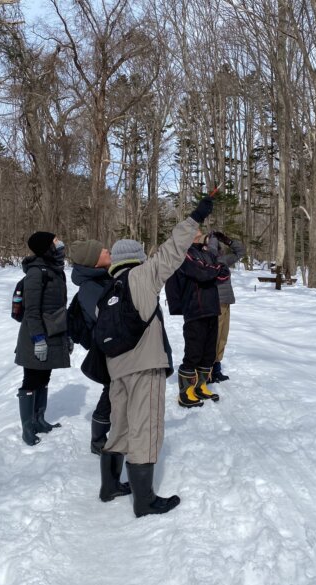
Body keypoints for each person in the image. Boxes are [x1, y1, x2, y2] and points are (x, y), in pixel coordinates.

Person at [100, 193, 215, 517]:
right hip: (144, 365)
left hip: (116, 368)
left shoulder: (109, 288)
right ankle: (144, 500)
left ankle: (109, 486)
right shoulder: (142, 276)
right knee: (145, 428)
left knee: (120, 424)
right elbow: (173, 249)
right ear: (136, 257)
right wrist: (196, 217)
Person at [14, 231, 72, 446]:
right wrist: (38, 338)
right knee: (31, 379)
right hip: (34, 335)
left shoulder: (55, 270)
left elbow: (58, 308)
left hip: (53, 333)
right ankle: (27, 428)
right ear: (46, 246)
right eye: (56, 241)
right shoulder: (36, 273)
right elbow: (32, 311)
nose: (60, 243)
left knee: (44, 378)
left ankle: (39, 420)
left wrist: (66, 335)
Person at [173, 230, 230, 408]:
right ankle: (186, 392)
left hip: (212, 308)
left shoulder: (206, 253)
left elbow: (224, 274)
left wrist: (211, 268)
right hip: (195, 308)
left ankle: (201, 386)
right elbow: (201, 273)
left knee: (209, 353)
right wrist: (211, 269)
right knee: (194, 352)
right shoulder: (183, 253)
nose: (198, 229)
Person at [69, 239, 114, 455]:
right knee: (113, 388)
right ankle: (98, 439)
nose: (107, 249)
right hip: (106, 347)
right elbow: (106, 318)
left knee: (117, 388)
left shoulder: (103, 278)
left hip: (115, 344)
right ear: (95, 261)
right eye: (103, 250)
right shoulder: (90, 287)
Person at [205, 231, 245, 382]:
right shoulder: (206, 260)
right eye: (216, 245)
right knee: (213, 338)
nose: (218, 248)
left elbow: (241, 252)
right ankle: (207, 371)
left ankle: (216, 369)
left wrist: (228, 241)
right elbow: (211, 254)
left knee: (222, 337)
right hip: (214, 302)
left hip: (226, 302)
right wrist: (213, 239)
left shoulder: (223, 260)